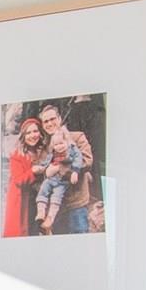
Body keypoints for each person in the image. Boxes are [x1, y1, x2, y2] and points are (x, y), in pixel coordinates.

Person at [33, 100, 98, 235]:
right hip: (56, 207)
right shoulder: (44, 148)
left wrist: (58, 169)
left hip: (76, 203)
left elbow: (87, 161)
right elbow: (39, 173)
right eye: (46, 122)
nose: (50, 124)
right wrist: (46, 172)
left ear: (60, 119)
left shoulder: (77, 137)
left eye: (52, 119)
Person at [2, 112, 43, 236]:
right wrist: (33, 171)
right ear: (23, 136)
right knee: (21, 231)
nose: (32, 135)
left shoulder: (43, 152)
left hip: (37, 199)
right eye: (28, 133)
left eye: (35, 131)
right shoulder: (17, 155)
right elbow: (18, 180)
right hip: (21, 200)